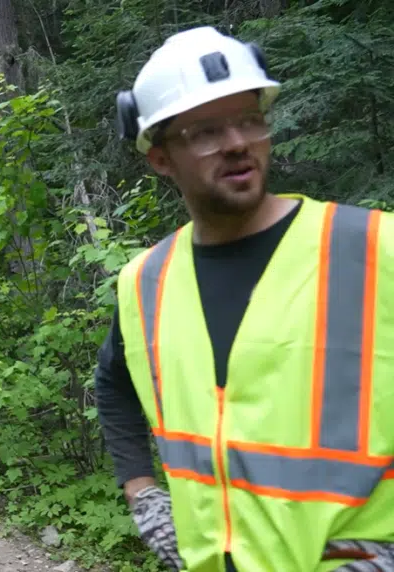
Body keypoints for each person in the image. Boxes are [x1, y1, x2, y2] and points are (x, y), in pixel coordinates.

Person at [97, 26, 394, 571]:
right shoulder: (146, 281)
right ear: (161, 158)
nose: (237, 143)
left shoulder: (376, 248)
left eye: (250, 120)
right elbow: (114, 383)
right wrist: (144, 495)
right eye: (205, 131)